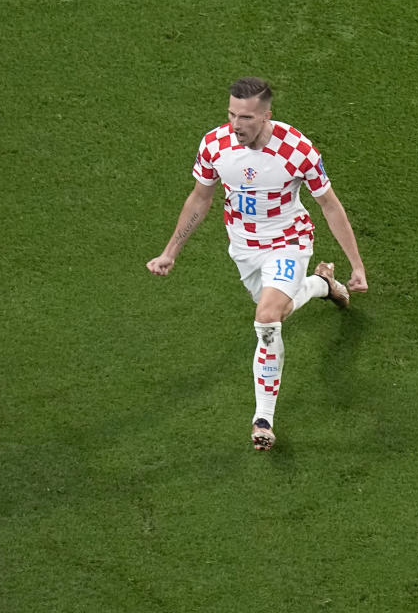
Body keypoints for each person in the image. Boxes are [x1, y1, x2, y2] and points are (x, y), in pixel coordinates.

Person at [146, 77, 368, 451]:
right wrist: (171, 251)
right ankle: (321, 285)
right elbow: (200, 199)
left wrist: (357, 265)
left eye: (247, 117)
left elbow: (330, 206)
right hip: (244, 248)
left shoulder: (297, 150)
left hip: (289, 242)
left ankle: (263, 419)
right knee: (274, 312)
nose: (237, 125)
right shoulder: (214, 145)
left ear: (267, 115)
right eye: (232, 114)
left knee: (266, 318)